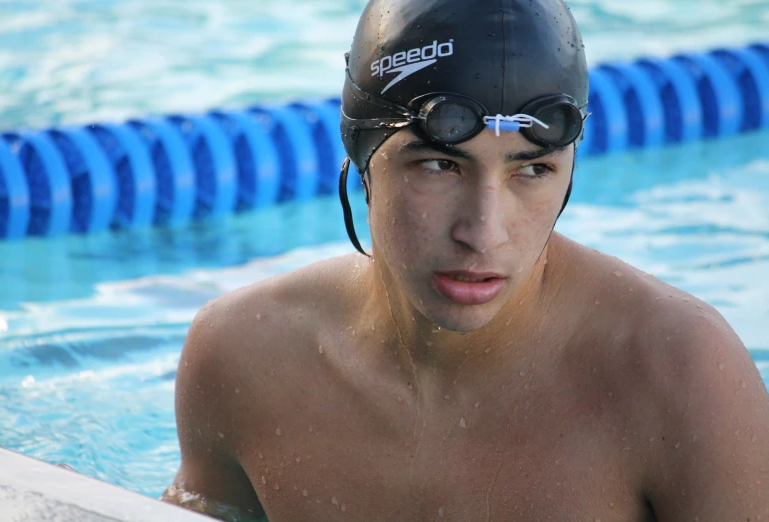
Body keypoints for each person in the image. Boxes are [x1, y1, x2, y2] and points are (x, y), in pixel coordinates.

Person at [161, 0, 769, 520]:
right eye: (439, 165)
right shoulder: (244, 357)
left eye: (532, 169)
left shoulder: (680, 375)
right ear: (363, 159)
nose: (483, 233)